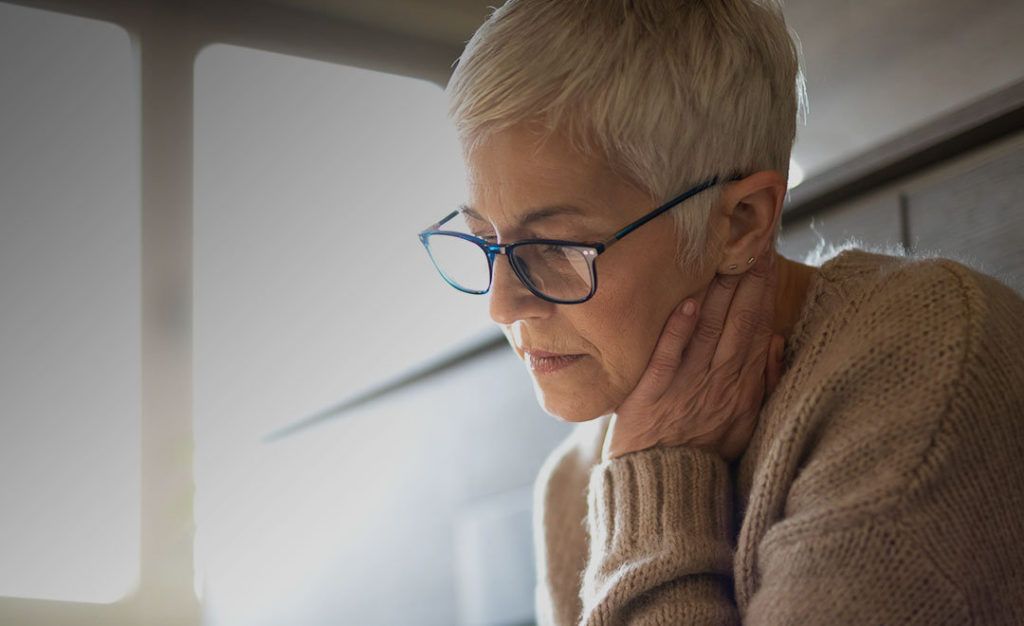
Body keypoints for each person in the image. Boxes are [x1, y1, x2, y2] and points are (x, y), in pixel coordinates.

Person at [416, 0, 1024, 623]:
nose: (499, 305)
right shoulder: (575, 477)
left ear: (740, 223)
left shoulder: (928, 359)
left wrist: (656, 484)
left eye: (554, 248)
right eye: (484, 242)